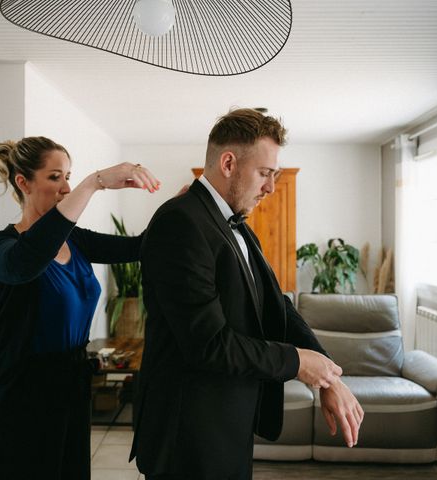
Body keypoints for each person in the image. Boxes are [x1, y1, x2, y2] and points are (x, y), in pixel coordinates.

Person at [130, 109, 364, 479]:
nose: (270, 187)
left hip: (228, 424)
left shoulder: (237, 224)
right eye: (265, 173)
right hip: (189, 436)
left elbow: (277, 308)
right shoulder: (180, 222)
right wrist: (297, 362)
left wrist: (329, 376)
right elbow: (209, 344)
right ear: (228, 163)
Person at [0, 136, 160, 479]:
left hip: (69, 391)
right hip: (18, 400)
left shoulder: (76, 240)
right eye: (55, 177)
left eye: (70, 177)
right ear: (23, 182)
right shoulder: (3, 247)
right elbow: (29, 261)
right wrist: (94, 183)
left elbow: (141, 247)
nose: (66, 187)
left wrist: (188, 204)